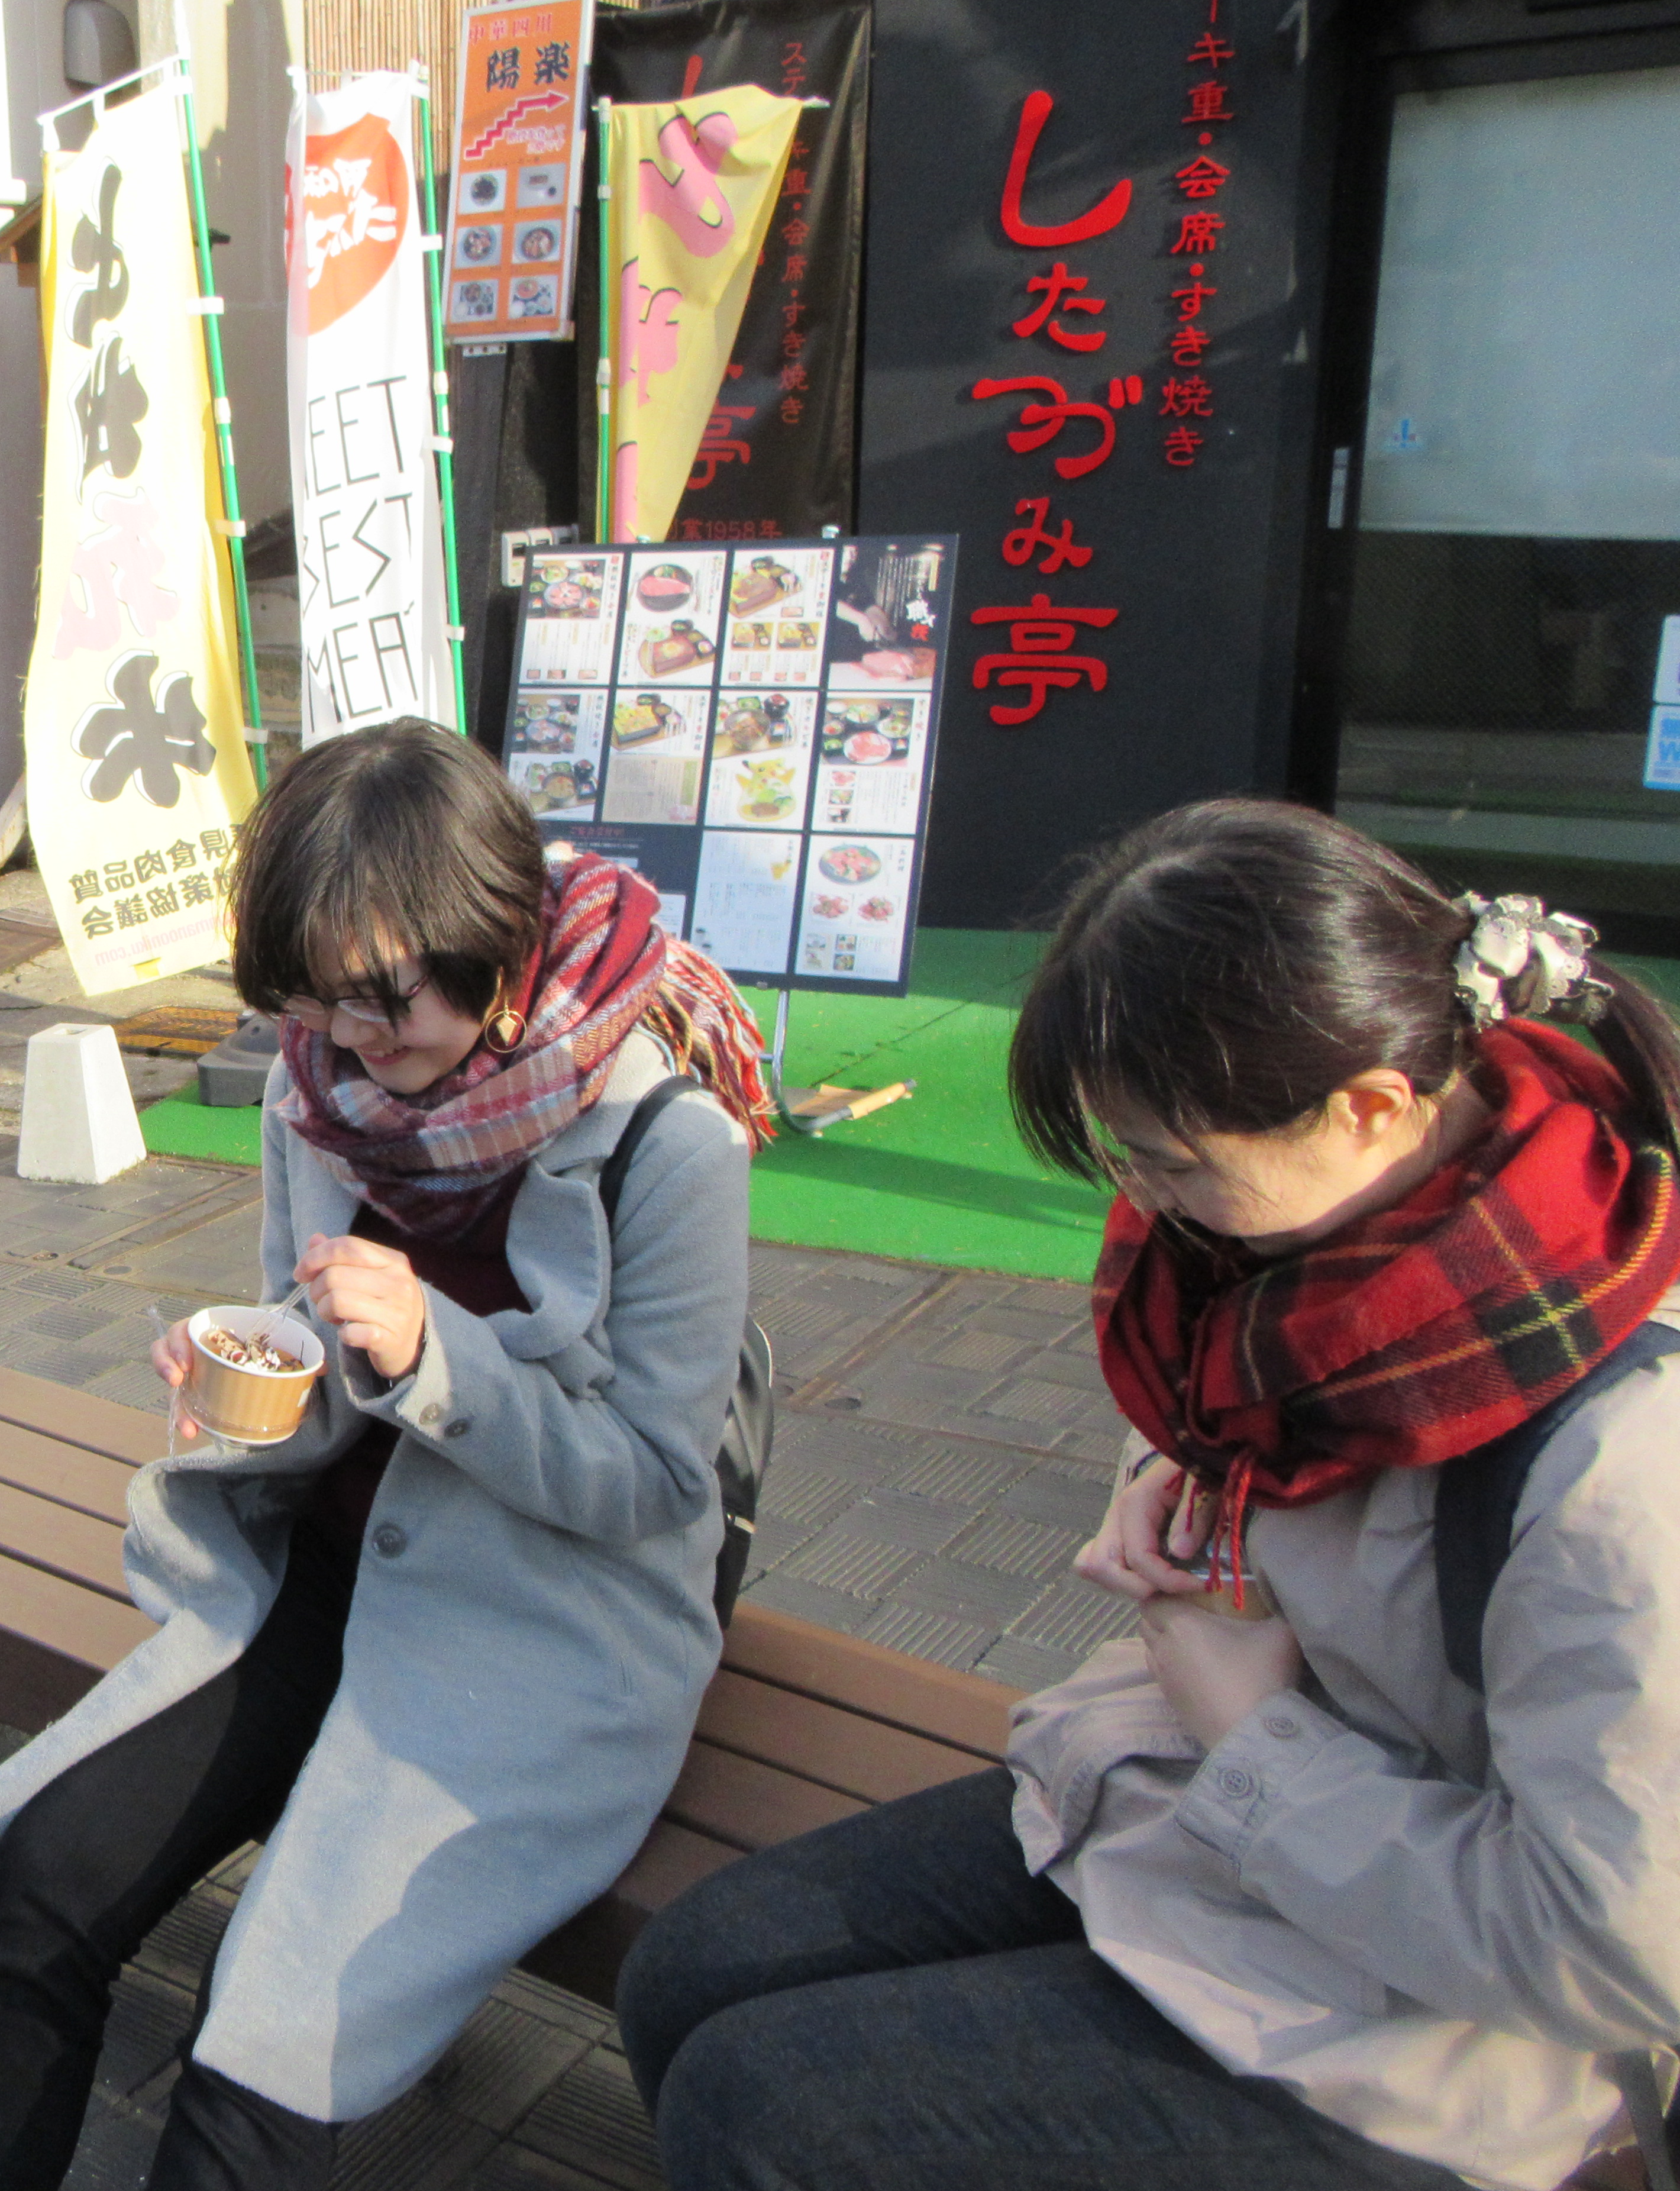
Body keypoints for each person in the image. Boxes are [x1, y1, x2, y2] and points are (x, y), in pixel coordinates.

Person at [615, 799, 1680, 2191]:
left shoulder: (1621, 1463)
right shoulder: (1325, 1233)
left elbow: (1607, 1949)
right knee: (689, 1973)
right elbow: (1257, 1429)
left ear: (1370, 1105)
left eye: (1170, 1162)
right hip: (1209, 1809)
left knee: (759, 2107)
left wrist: (1248, 1729)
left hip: (1446, 2029)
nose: (1141, 1200)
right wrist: (1176, 1473)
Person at [0, 718, 771, 2189]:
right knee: (39, 1900)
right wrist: (249, 1379)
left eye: (384, 999)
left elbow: (653, 1481)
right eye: (314, 1003)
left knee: (254, 2067)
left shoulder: (665, 1143)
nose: (356, 1045)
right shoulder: (315, 1093)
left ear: (496, 938)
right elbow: (311, 1332)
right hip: (320, 1569)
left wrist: (441, 1355)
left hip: (539, 1626)